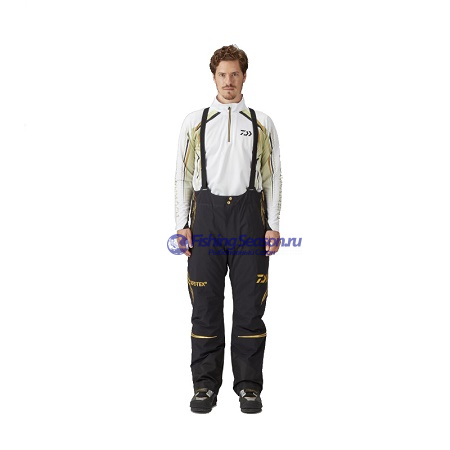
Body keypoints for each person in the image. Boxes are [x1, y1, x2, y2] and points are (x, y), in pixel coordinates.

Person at [174, 44, 282, 413]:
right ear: (214, 77)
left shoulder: (262, 122)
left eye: (235, 73)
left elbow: (273, 176)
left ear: (244, 76)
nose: (228, 81)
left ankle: (249, 387)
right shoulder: (196, 121)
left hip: (250, 221)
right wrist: (181, 225)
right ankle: (204, 386)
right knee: (205, 307)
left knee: (250, 307)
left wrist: (274, 226)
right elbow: (182, 176)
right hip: (206, 220)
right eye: (222, 74)